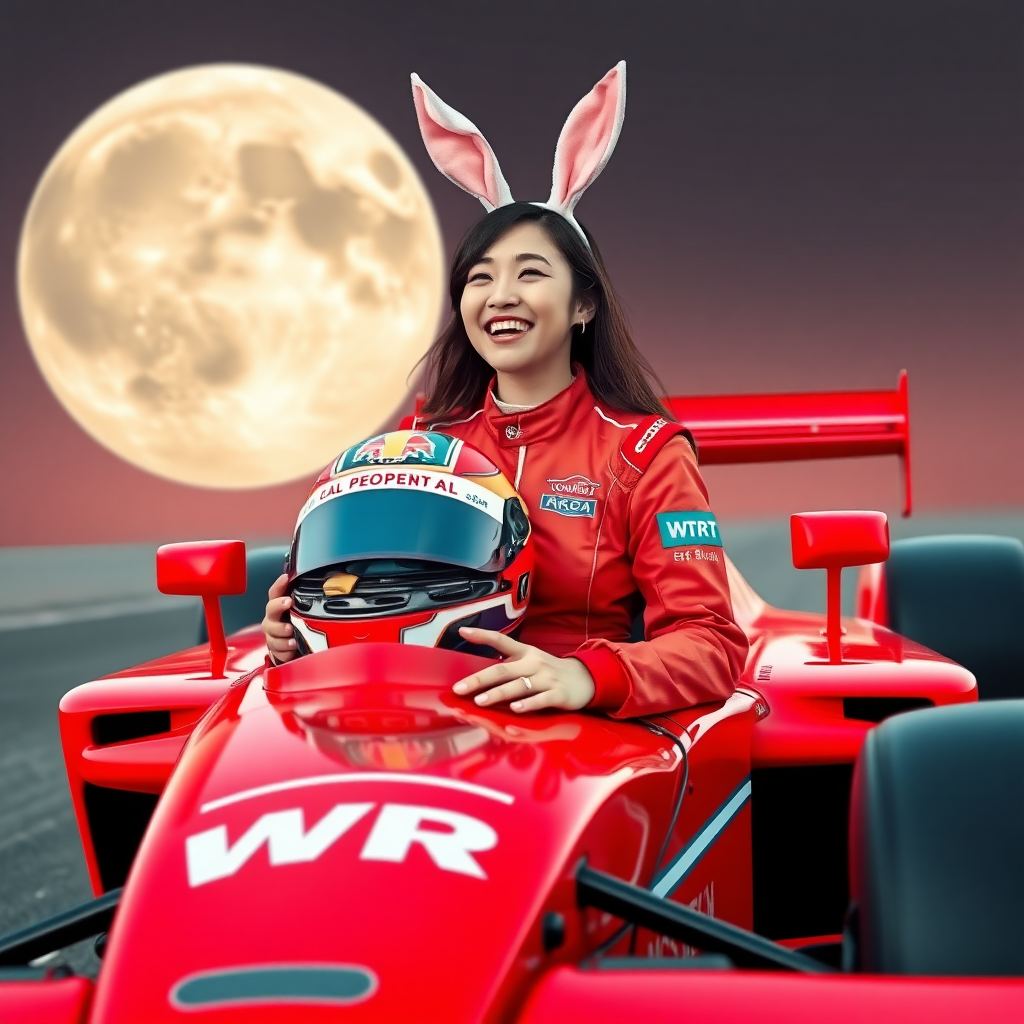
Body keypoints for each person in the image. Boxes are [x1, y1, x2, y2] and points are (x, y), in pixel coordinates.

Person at [263, 62, 748, 718]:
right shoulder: (416, 450)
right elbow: (363, 599)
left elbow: (711, 645)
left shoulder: (648, 454)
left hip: (581, 740)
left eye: (531, 273)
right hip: (405, 722)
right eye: (481, 278)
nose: (502, 297)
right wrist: (292, 637)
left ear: (584, 305)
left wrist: (583, 677)